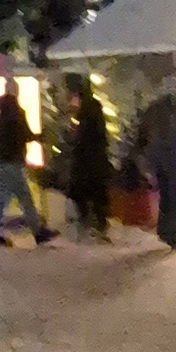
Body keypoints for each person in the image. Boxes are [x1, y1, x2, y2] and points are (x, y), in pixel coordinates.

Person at [0, 76, 54, 247]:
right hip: (13, 160)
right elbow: (23, 134)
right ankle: (37, 231)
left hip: (4, 160)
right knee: (21, 197)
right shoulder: (16, 111)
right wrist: (39, 136)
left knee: (4, 198)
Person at [135, 73, 176, 253]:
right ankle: (173, 235)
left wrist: (144, 156)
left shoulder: (152, 110)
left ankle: (166, 231)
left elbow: (142, 134)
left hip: (156, 158)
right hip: (171, 159)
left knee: (165, 196)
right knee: (172, 197)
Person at [66, 78, 113, 240]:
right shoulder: (93, 107)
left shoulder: (85, 111)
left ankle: (89, 220)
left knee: (82, 189)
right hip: (96, 158)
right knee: (96, 191)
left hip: (87, 159)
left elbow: (82, 136)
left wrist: (73, 138)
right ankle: (99, 221)